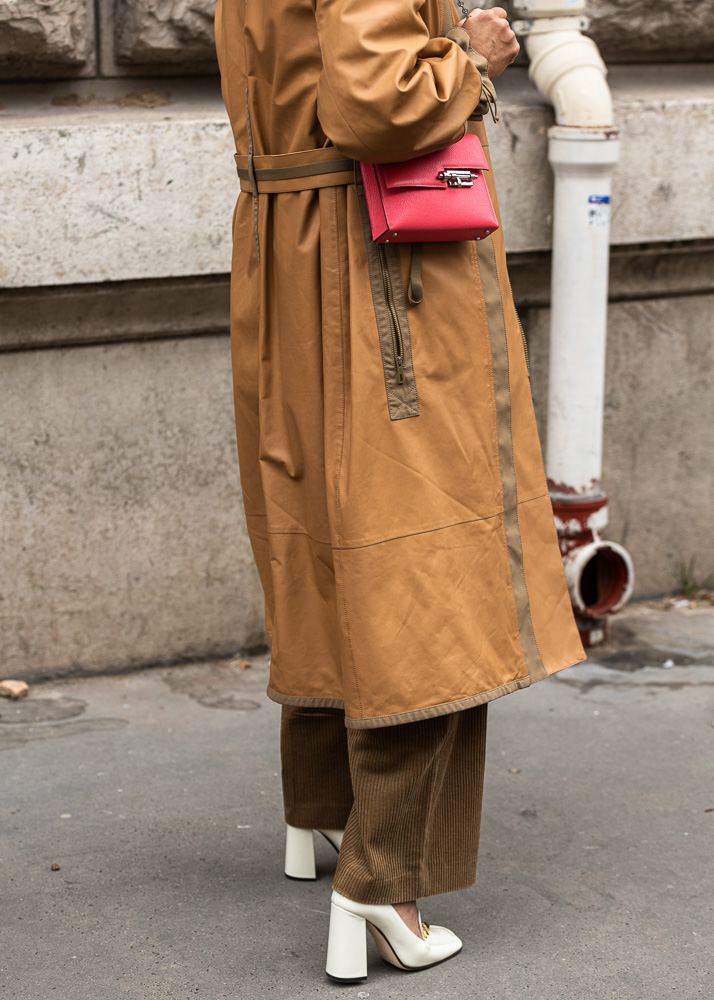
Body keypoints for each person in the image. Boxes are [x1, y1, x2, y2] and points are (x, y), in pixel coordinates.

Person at [214, 0, 585, 983]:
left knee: (325, 536)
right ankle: (383, 886)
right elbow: (379, 99)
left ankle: (320, 814)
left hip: (289, 238)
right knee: (429, 563)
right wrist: (472, 57)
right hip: (376, 254)